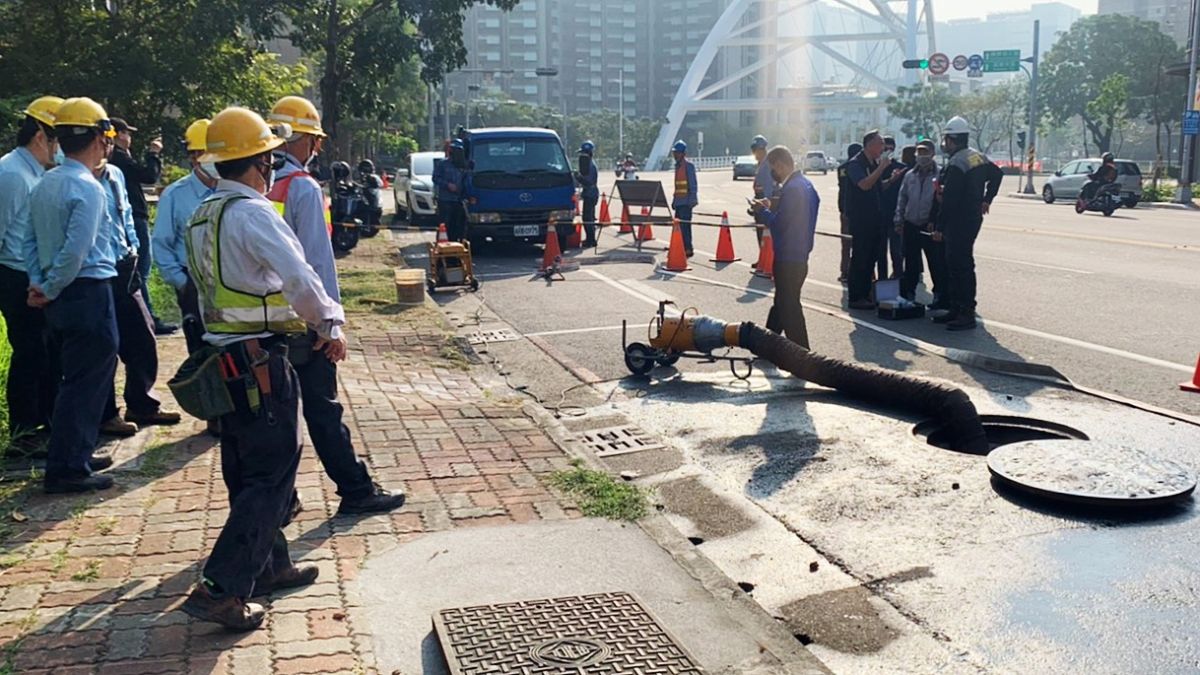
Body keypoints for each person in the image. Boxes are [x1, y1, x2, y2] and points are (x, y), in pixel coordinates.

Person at [179, 106, 343, 630]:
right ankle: (220, 588)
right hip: (259, 358)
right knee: (272, 472)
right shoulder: (252, 214)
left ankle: (271, 565)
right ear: (261, 164)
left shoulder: (203, 213)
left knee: (247, 467)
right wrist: (328, 326)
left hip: (225, 360)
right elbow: (300, 277)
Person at [267, 95, 405, 515]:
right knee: (323, 409)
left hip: (267, 319)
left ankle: (283, 499)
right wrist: (331, 325)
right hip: (304, 319)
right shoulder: (303, 188)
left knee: (278, 417)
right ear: (303, 141)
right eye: (314, 140)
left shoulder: (258, 183)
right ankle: (355, 489)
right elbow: (317, 262)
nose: (317, 149)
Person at [25, 97, 120, 493]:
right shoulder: (89, 188)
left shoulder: (45, 181)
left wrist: (39, 283)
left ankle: (74, 452)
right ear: (100, 138)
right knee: (86, 381)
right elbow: (76, 252)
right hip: (85, 291)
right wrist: (49, 285)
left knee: (74, 378)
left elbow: (29, 240)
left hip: (59, 293)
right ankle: (67, 467)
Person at [96, 148, 181, 436]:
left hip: (123, 268)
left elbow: (126, 217)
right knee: (103, 348)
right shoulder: (73, 180)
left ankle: (141, 403)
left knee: (143, 337)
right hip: (96, 272)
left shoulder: (115, 174)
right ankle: (106, 415)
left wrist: (132, 250)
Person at [0, 96, 62, 454]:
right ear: (40, 134)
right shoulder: (11, 174)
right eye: (58, 139)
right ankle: (24, 434)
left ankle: (49, 428)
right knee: (30, 353)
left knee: (49, 353)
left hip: (34, 275)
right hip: (14, 276)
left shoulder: (35, 172)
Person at [932, 116, 1003, 331]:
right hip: (971, 217)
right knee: (959, 264)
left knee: (959, 266)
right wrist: (986, 199)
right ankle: (957, 308)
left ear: (952, 140)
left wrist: (939, 226)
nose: (945, 144)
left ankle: (965, 312)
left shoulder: (957, 163)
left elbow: (950, 199)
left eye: (946, 140)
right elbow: (997, 174)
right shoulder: (976, 157)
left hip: (958, 220)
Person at [153, 119, 218, 356]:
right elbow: (161, 245)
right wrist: (182, 284)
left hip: (231, 282)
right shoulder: (175, 195)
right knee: (202, 357)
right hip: (193, 283)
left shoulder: (231, 189)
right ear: (194, 156)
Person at [108, 117, 175, 336]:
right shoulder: (119, 159)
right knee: (141, 269)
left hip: (134, 216)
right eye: (127, 133)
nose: (130, 137)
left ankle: (145, 317)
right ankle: (146, 318)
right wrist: (153, 154)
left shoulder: (117, 158)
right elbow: (149, 175)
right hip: (134, 218)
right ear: (117, 135)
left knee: (139, 269)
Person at [755, 146, 820, 349]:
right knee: (782, 301)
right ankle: (766, 346)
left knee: (789, 306)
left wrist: (763, 212)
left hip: (788, 255)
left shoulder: (791, 189)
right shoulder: (806, 185)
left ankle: (803, 354)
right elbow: (798, 213)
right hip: (801, 253)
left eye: (772, 168)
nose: (772, 173)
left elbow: (780, 223)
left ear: (780, 165)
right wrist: (773, 205)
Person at [894, 140, 946, 306]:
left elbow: (942, 202)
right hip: (911, 224)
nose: (922, 156)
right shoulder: (910, 175)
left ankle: (939, 295)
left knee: (935, 262)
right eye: (919, 152)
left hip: (929, 226)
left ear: (932, 154)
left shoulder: (941, 175)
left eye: (925, 152)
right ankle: (908, 294)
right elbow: (902, 199)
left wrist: (937, 223)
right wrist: (899, 219)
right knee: (910, 262)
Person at [845, 131, 892, 309]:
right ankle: (856, 296)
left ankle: (866, 293)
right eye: (880, 144)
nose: (883, 148)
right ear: (869, 144)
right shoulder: (856, 163)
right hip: (861, 218)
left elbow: (877, 186)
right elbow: (864, 185)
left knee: (872, 256)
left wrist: (891, 179)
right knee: (861, 256)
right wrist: (881, 168)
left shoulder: (874, 163)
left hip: (875, 218)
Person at [877, 136, 908, 281]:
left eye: (890, 148)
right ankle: (882, 281)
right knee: (880, 252)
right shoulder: (875, 167)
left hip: (895, 215)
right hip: (879, 215)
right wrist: (890, 180)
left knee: (897, 252)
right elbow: (874, 188)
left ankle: (898, 279)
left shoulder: (901, 168)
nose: (887, 151)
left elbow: (907, 193)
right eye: (885, 148)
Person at [835, 142, 862, 284]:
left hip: (844, 209)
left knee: (846, 244)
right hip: (855, 210)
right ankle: (852, 271)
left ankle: (844, 271)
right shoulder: (859, 168)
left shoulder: (841, 168)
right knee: (858, 242)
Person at [433, 139, 468, 241]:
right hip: (445, 200)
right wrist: (448, 185)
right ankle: (442, 251)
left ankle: (456, 249)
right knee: (444, 226)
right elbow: (435, 178)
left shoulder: (464, 166)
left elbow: (466, 181)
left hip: (458, 200)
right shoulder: (442, 164)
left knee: (458, 226)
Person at [671, 140, 698, 257]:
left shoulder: (689, 166)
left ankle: (688, 248)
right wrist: (674, 201)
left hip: (686, 202)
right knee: (678, 227)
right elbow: (677, 186)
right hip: (679, 202)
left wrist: (692, 200)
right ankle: (679, 246)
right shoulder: (677, 167)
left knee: (685, 227)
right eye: (674, 153)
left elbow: (693, 185)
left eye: (677, 153)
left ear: (682, 153)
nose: (675, 155)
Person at [749, 134, 776, 255]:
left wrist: (767, 204)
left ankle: (765, 258)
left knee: (765, 233)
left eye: (756, 150)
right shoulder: (761, 164)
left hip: (765, 201)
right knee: (760, 232)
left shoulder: (767, 165)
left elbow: (769, 185)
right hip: (759, 199)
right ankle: (762, 257)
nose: (754, 153)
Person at [575, 141, 599, 248]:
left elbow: (588, 182)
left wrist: (578, 177)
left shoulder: (590, 165)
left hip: (591, 193)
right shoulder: (588, 164)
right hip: (589, 193)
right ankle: (590, 239)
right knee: (589, 218)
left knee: (587, 218)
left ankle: (591, 240)